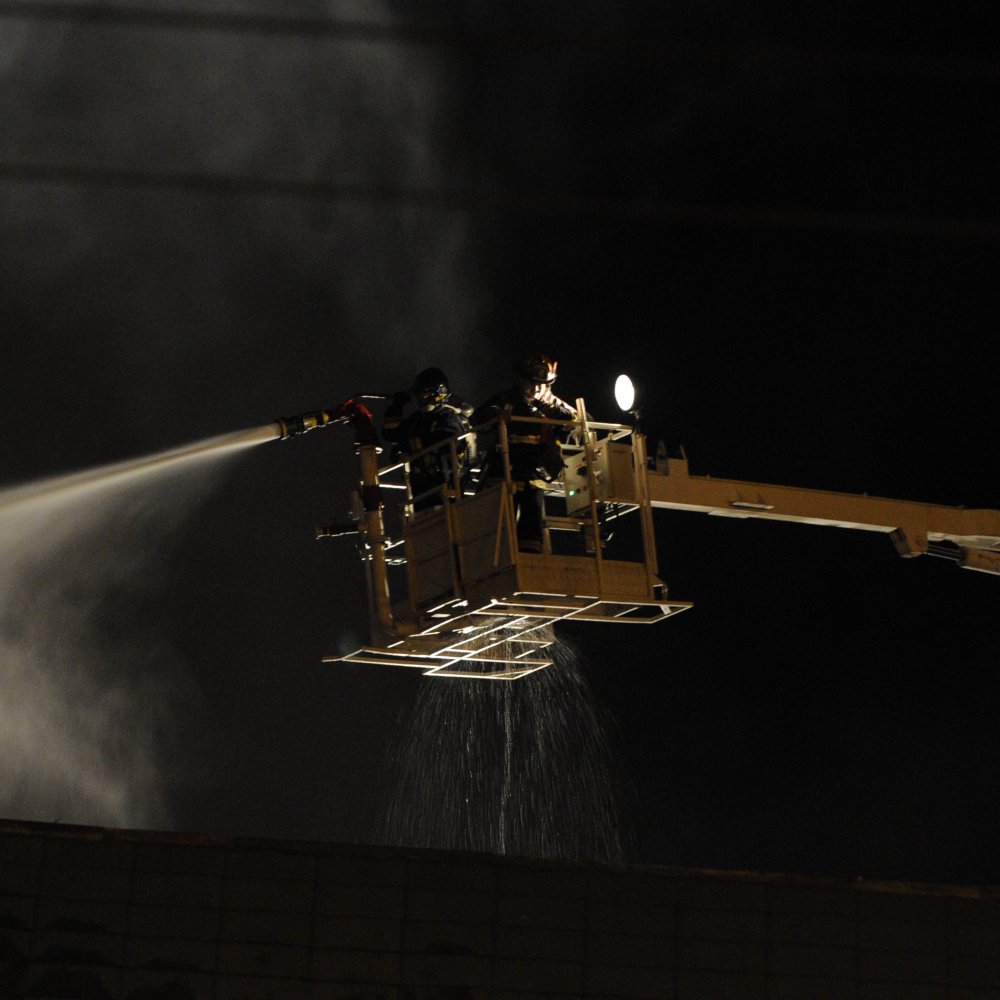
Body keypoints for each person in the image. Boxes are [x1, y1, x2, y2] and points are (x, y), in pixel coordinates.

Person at [473, 352, 577, 552]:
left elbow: (576, 420)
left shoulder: (551, 402)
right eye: (533, 383)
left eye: (543, 384)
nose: (538, 388)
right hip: (505, 470)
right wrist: (494, 414)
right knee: (503, 522)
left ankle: (531, 555)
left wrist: (549, 408)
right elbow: (478, 420)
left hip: (534, 472)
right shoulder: (507, 399)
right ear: (521, 380)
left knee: (531, 521)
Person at [382, 367, 473, 511]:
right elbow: (390, 434)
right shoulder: (418, 420)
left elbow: (445, 441)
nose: (419, 398)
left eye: (423, 394)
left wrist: (406, 445)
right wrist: (396, 407)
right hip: (421, 488)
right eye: (418, 394)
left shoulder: (449, 417)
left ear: (437, 394)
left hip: (445, 486)